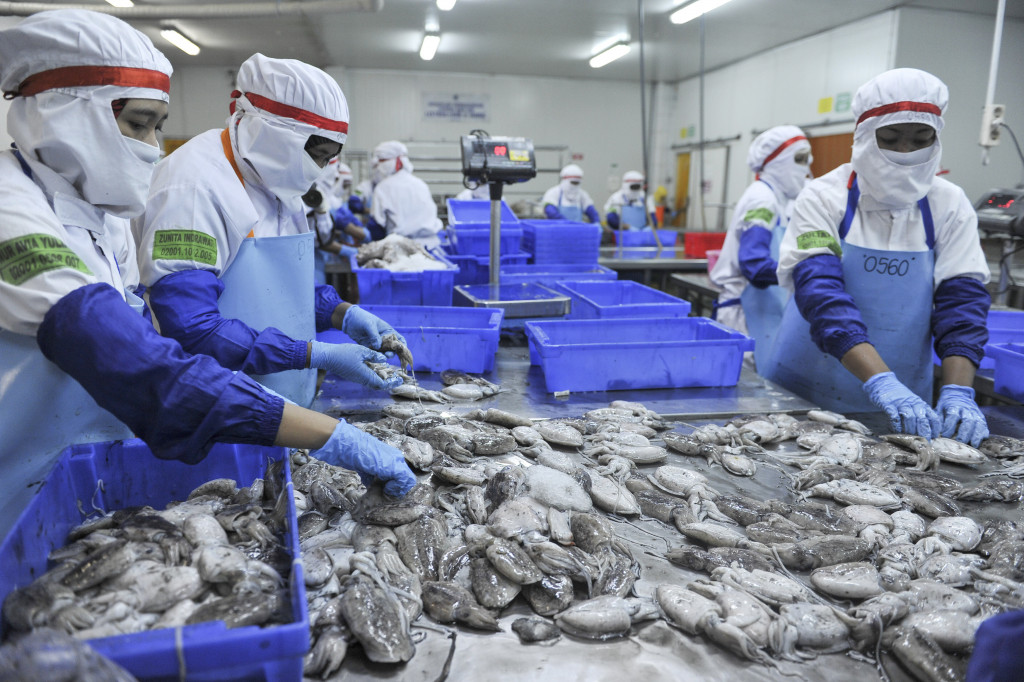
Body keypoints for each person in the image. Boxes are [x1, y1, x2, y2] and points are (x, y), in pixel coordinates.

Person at [0, 10, 415, 539]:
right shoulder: (13, 213)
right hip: (17, 490)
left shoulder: (101, 216)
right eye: (137, 123)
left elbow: (270, 284)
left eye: (158, 125)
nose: (152, 147)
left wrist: (341, 313)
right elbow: (149, 358)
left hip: (83, 465)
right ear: (63, 112)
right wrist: (326, 428)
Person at [135, 54, 409, 410]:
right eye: (318, 155)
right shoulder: (194, 188)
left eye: (330, 158)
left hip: (276, 396)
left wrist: (343, 313)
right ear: (277, 136)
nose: (321, 169)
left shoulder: (278, 183)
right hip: (215, 401)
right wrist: (313, 353)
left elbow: (278, 290)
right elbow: (192, 327)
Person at [762, 68, 991, 446]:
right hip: (805, 389)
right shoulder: (824, 196)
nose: (905, 153)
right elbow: (821, 293)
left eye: (920, 139)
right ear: (866, 135)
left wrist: (958, 392)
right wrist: (880, 381)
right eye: (890, 138)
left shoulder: (949, 204)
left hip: (906, 402)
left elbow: (962, 302)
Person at [710, 125, 812, 367]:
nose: (807, 169)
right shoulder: (763, 200)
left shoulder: (777, 199)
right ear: (776, 161)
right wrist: (805, 273)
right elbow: (754, 265)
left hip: (761, 310)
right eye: (800, 160)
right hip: (743, 315)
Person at [367, 140, 443, 248]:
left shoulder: (383, 187)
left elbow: (376, 226)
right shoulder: (420, 184)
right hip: (431, 245)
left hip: (400, 249)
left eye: (381, 162)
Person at [306, 160, 367, 285]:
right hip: (310, 259)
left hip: (319, 259)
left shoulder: (327, 199)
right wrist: (346, 250)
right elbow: (316, 237)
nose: (335, 178)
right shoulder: (312, 197)